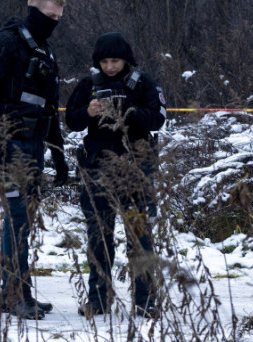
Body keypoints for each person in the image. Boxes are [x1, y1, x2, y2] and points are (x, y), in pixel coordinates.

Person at [0, 0, 69, 321]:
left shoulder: (45, 52)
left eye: (57, 17)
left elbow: (50, 109)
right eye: (48, 15)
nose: (52, 21)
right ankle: (12, 294)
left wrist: (58, 155)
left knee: (25, 219)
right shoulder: (6, 42)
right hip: (10, 144)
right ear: (31, 5)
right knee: (16, 218)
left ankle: (19, 291)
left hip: (36, 145)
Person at [65, 32, 167, 319]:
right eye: (105, 61)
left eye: (116, 61)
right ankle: (98, 299)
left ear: (126, 60)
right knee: (99, 235)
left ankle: (145, 300)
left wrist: (127, 112)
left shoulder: (143, 83)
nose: (110, 67)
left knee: (139, 235)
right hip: (98, 167)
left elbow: (158, 118)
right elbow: (71, 121)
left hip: (136, 165)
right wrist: (89, 111)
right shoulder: (89, 85)